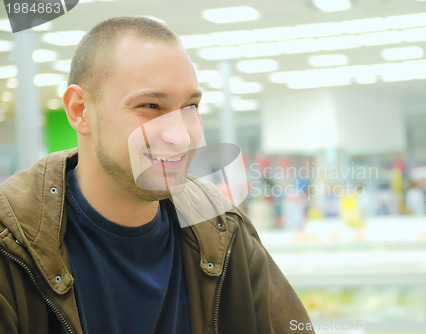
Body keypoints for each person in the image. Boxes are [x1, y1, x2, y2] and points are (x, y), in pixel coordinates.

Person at [0, 17, 314, 334]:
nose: (182, 136)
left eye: (191, 106)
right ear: (80, 111)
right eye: (150, 105)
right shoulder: (11, 243)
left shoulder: (223, 229)